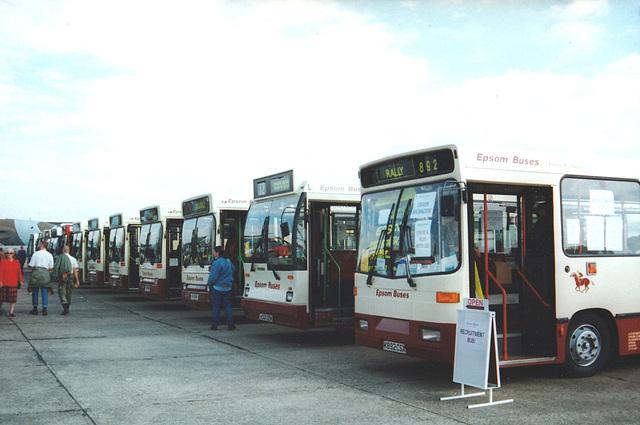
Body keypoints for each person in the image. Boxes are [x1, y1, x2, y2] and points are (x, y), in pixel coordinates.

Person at [207, 246, 236, 331]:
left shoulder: (216, 263)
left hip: (217, 288)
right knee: (227, 306)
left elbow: (212, 277)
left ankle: (214, 325)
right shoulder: (228, 261)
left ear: (217, 253)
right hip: (227, 287)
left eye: (214, 252)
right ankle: (230, 324)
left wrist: (209, 284)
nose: (213, 253)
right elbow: (233, 270)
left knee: (216, 306)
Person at [28, 241, 55, 316]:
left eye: (40, 244)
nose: (39, 245)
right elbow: (51, 267)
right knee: (44, 292)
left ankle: (35, 308)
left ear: (42, 245)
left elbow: (31, 266)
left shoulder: (36, 254)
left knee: (35, 291)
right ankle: (44, 309)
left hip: (36, 273)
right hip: (45, 274)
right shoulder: (50, 255)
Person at [53, 245, 81, 315]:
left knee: (62, 292)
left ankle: (65, 307)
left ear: (63, 251)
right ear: (69, 251)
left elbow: (57, 267)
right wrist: (77, 280)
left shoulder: (60, 258)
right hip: (71, 277)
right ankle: (67, 307)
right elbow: (75, 271)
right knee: (69, 292)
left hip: (62, 277)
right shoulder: (73, 259)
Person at [0, 249, 23, 317]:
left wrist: (20, 280)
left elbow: (19, 271)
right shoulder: (3, 261)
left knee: (13, 299)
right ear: (5, 254)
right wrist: (0, 281)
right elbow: (0, 272)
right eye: (7, 253)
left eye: (11, 253)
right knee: (1, 298)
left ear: (13, 254)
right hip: (4, 282)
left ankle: (11, 312)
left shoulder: (16, 262)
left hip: (13, 282)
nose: (9, 254)